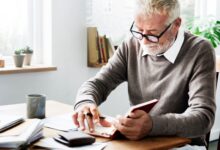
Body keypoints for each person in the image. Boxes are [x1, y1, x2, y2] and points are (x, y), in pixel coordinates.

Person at [73, 0, 216, 147]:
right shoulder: (131, 45)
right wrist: (85, 102)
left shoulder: (200, 50)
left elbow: (203, 118)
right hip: (141, 143)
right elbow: (99, 84)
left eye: (153, 34)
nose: (144, 42)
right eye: (139, 30)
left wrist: (153, 125)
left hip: (184, 145)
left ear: (176, 25)